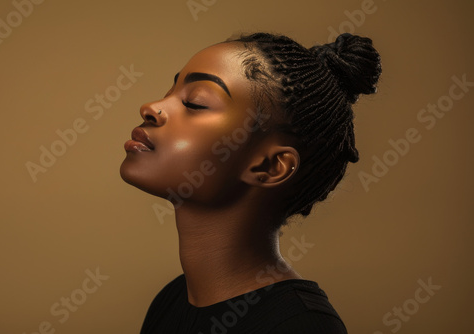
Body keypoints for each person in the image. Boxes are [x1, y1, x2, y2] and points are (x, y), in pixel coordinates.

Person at [120, 31, 382, 333]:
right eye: (171, 91)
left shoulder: (301, 326)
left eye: (195, 103)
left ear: (270, 166)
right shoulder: (172, 300)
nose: (151, 107)